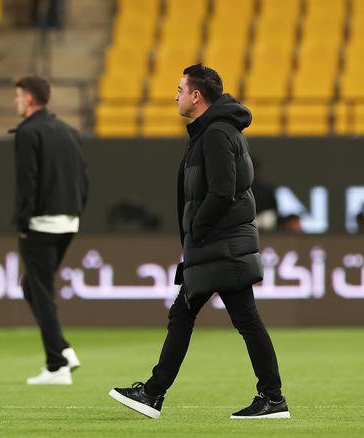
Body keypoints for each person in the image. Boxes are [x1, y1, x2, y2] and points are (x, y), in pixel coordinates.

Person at [109, 65, 290, 420]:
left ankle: (155, 393)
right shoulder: (213, 132)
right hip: (218, 246)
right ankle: (269, 397)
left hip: (218, 245)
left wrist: (197, 228)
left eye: (179, 89)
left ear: (196, 96)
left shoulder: (216, 134)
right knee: (216, 316)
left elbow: (222, 191)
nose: (174, 95)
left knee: (201, 316)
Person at [11, 76, 89, 385]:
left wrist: (22, 221)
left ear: (29, 99)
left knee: (40, 290)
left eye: (18, 97)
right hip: (69, 220)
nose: (15, 103)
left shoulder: (28, 132)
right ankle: (63, 350)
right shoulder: (68, 131)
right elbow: (84, 178)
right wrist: (77, 210)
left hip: (41, 222)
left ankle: (57, 365)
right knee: (33, 286)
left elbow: (26, 181)